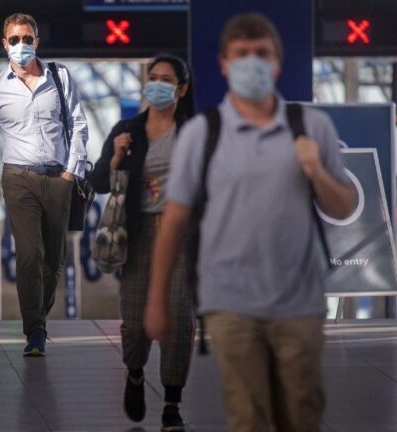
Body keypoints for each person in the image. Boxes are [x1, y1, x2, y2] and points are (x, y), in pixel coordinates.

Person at [144, 13, 356, 432]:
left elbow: (344, 207)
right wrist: (157, 300)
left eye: (261, 54)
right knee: (247, 416)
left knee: (302, 412)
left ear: (277, 62)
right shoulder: (202, 135)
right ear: (223, 64)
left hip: (299, 301)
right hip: (230, 303)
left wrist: (317, 172)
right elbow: (175, 220)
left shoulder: (311, 127)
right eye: (241, 55)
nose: (251, 63)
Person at [0, 13, 88, 356]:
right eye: (14, 39)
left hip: (58, 177)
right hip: (17, 177)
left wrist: (71, 172)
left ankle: (40, 317)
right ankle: (34, 330)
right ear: (4, 44)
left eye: (27, 38)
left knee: (54, 259)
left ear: (37, 41)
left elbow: (79, 125)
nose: (21, 45)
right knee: (29, 253)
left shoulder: (60, 77)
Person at [91, 54, 194, 430]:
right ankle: (135, 373)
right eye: (153, 77)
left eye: (167, 79)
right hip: (136, 233)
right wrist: (117, 156)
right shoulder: (128, 130)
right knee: (135, 320)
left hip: (181, 233)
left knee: (179, 318)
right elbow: (100, 181)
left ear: (181, 89)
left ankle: (172, 403)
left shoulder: (193, 132)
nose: (158, 84)